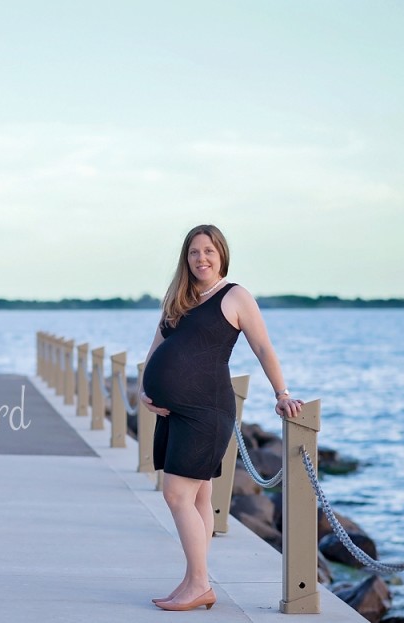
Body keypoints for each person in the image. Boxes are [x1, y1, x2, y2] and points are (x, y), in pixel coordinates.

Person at [140, 223, 304, 611]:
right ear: (187, 258)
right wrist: (147, 390)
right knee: (198, 496)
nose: (201, 259)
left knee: (176, 493)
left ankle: (199, 584)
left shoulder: (235, 296)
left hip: (206, 411)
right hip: (172, 411)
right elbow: (157, 346)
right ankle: (192, 580)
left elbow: (263, 347)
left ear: (221, 255)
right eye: (194, 252)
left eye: (209, 251)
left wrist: (281, 394)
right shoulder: (179, 299)